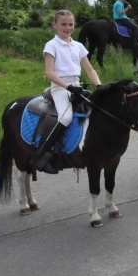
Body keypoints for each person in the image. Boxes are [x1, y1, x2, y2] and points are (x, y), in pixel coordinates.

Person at [32, 10, 102, 174]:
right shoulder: (52, 45)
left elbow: (90, 70)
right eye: (63, 24)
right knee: (66, 117)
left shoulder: (78, 46)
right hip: (59, 87)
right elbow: (49, 72)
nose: (67, 27)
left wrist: (99, 86)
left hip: (77, 86)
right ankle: (41, 156)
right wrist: (68, 87)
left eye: (70, 24)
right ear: (55, 25)